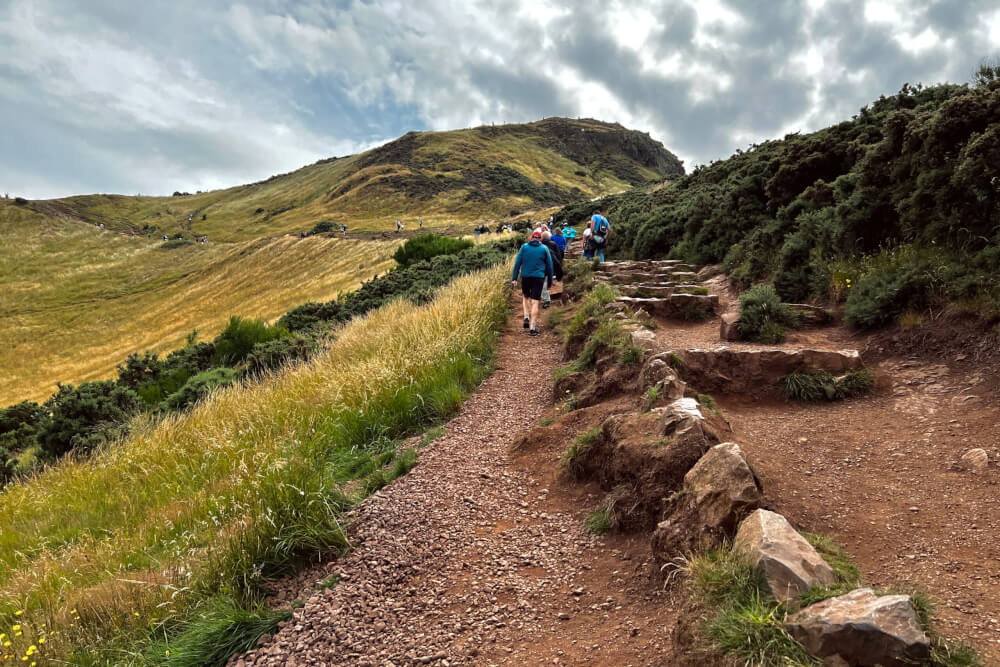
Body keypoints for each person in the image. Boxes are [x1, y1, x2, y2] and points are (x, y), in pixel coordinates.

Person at [511, 230, 554, 336]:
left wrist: (514, 278)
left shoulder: (524, 247)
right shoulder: (544, 248)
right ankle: (532, 328)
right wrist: (549, 282)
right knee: (535, 301)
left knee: (525, 297)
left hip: (525, 277)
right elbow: (549, 266)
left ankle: (526, 316)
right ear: (540, 239)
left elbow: (517, 263)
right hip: (538, 278)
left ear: (531, 238)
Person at [540, 231, 564, 308]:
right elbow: (557, 258)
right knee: (545, 283)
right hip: (549, 267)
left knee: (541, 283)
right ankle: (546, 299)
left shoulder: (539, 245)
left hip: (539, 268)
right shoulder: (553, 244)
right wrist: (559, 272)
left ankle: (544, 298)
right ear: (549, 237)